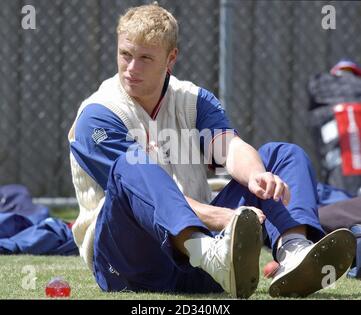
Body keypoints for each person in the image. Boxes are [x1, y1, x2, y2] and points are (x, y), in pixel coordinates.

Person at [68, 3, 355, 298]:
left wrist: (257, 176)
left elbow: (229, 148)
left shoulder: (193, 99)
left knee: (281, 155)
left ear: (171, 58)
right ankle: (208, 252)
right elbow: (140, 197)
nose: (131, 68)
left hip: (204, 263)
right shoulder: (98, 115)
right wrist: (219, 218)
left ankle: (295, 252)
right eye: (125, 55)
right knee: (131, 164)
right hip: (131, 265)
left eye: (145, 58)